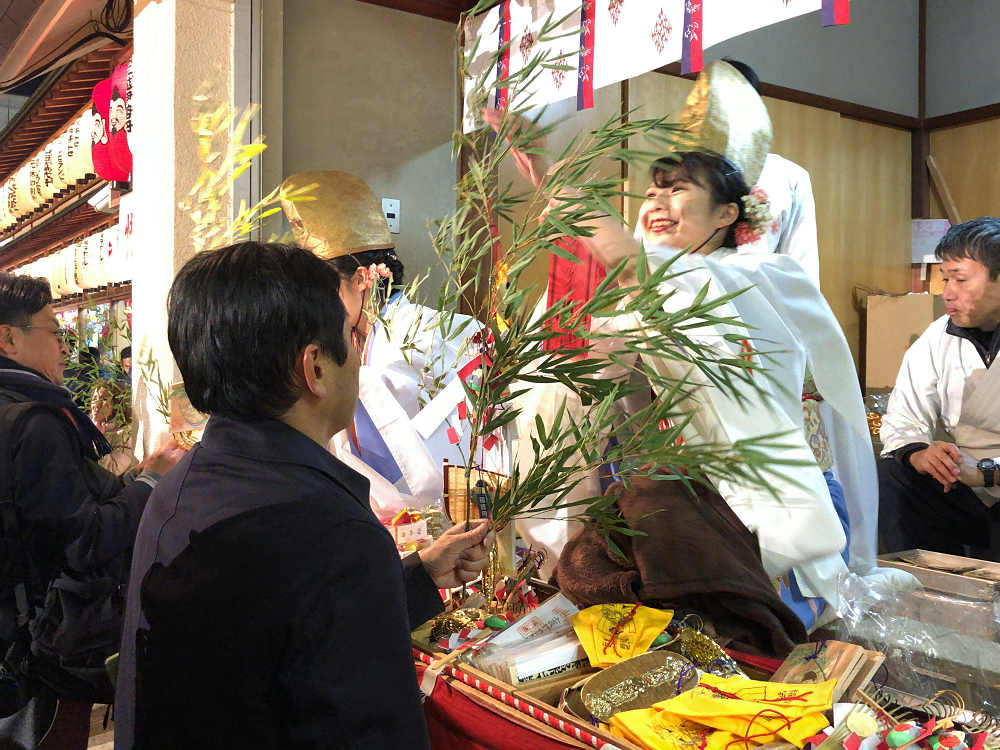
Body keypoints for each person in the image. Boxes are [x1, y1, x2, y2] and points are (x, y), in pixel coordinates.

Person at [490, 60, 913, 627]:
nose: (657, 203)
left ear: (729, 212)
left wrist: (555, 180)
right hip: (667, 498)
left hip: (748, 506)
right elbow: (595, 367)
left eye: (679, 189)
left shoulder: (762, 279)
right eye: (653, 190)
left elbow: (638, 266)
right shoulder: (656, 282)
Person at [114, 241, 496, 750]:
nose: (359, 356)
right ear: (314, 367)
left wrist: (418, 575)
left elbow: (282, 630)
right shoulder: (331, 533)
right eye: (350, 337)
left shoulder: (185, 484)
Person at [0, 273, 181, 749]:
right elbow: (84, 541)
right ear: (9, 337)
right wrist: (151, 482)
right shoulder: (33, 423)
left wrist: (136, 476)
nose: (65, 346)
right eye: (54, 332)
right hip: (42, 655)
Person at [281, 171, 504, 519]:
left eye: (327, 291)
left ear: (360, 279)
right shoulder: (342, 340)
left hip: (442, 509)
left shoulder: (418, 330)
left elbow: (488, 370)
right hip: (379, 513)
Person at [878, 217, 1000, 560]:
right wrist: (920, 454)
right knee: (893, 475)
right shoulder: (938, 337)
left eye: (960, 279)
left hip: (986, 476)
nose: (947, 292)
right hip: (965, 487)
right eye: (946, 279)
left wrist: (988, 473)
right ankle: (926, 588)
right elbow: (903, 417)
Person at [722, 58, 821, 289]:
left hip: (760, 308)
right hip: (684, 312)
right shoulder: (679, 174)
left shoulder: (789, 176)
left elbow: (802, 266)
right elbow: (649, 255)